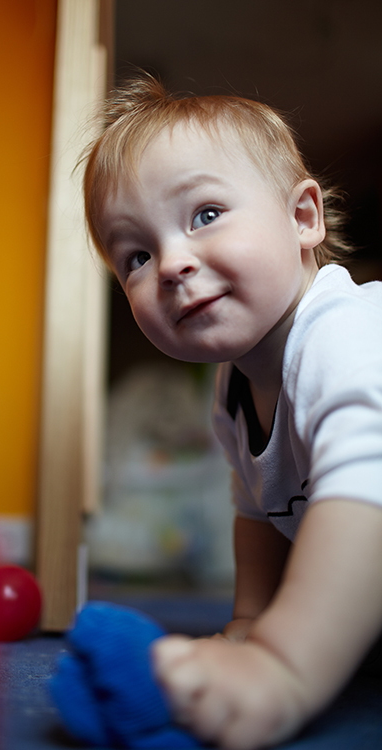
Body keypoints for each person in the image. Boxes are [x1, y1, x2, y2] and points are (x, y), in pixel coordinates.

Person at [81, 74, 382, 750]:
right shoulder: (232, 388)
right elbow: (259, 515)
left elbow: (367, 494)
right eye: (135, 254)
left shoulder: (345, 336)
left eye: (204, 215)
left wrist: (278, 664)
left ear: (302, 218)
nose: (170, 263)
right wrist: (249, 621)